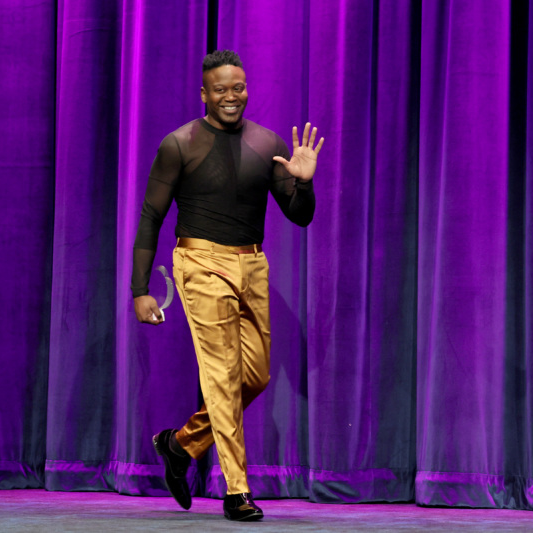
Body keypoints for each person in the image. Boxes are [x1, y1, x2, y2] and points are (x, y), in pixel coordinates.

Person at [131, 49, 324, 521]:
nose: (230, 96)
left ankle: (179, 445)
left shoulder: (265, 142)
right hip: (199, 262)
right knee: (220, 376)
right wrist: (141, 289)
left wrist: (304, 183)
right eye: (220, 88)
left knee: (253, 376)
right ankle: (236, 491)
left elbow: (299, 216)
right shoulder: (179, 143)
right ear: (204, 93)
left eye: (237, 87)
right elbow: (151, 216)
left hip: (252, 266)